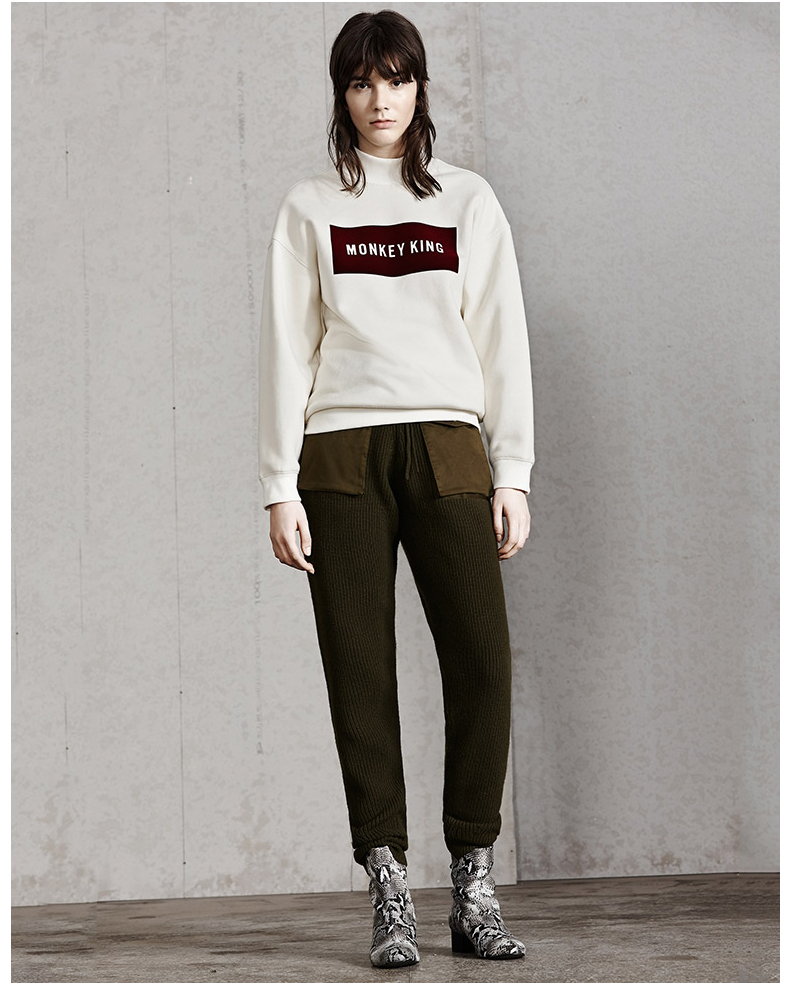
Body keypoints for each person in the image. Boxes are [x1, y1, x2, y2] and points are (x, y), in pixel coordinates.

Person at [258, 9, 534, 969]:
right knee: (359, 671)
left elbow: (501, 337)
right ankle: (388, 888)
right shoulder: (310, 208)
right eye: (362, 82)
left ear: (420, 88)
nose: (382, 99)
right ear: (343, 94)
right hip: (339, 454)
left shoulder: (468, 201)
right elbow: (286, 349)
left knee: (483, 664)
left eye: (398, 79)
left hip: (448, 445)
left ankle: (472, 883)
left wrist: (512, 471)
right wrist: (278, 484)